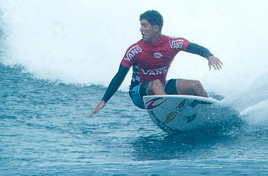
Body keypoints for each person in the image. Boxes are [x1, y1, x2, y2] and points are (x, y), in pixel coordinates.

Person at [88, 9, 223, 116]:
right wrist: (104, 100)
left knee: (195, 85)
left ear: (156, 28)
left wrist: (209, 56)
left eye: (144, 25)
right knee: (156, 84)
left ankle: (212, 113)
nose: (141, 29)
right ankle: (172, 115)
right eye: (141, 25)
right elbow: (119, 75)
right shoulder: (136, 50)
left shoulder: (172, 43)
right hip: (139, 94)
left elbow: (194, 47)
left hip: (161, 89)